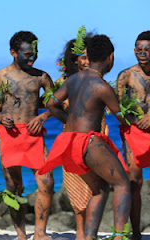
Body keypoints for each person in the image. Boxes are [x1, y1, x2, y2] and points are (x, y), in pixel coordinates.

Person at [39, 35, 131, 240]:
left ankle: (88, 238)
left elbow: (51, 104)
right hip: (88, 141)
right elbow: (122, 118)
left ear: (88, 55)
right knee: (122, 184)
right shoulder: (102, 87)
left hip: (69, 141)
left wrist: (69, 119)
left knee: (99, 189)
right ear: (111, 57)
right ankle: (119, 236)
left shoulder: (73, 80)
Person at [0, 31, 54, 240]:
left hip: (34, 134)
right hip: (8, 134)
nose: (32, 58)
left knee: (47, 182)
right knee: (13, 186)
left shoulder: (41, 76)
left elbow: (54, 104)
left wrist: (42, 117)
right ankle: (21, 234)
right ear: (13, 52)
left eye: (34, 53)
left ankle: (40, 233)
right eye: (26, 54)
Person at [54, 28, 107, 240]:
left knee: (94, 183)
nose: (87, 61)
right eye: (83, 57)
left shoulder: (97, 79)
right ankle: (80, 232)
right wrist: (64, 120)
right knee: (76, 183)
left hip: (97, 133)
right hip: (73, 137)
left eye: (89, 57)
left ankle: (90, 232)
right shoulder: (65, 82)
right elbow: (51, 105)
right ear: (74, 60)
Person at [117, 30, 150, 240]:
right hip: (134, 132)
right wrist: (133, 121)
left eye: (147, 49)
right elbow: (117, 107)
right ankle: (136, 233)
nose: (143, 53)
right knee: (134, 183)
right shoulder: (126, 75)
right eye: (139, 49)